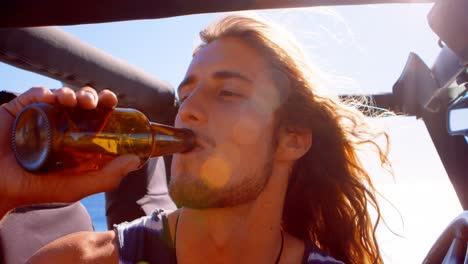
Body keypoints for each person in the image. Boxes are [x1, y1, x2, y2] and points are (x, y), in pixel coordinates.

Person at [1, 14, 390, 263]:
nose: (186, 111)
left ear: (293, 140)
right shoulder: (77, 260)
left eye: (228, 93)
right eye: (185, 95)